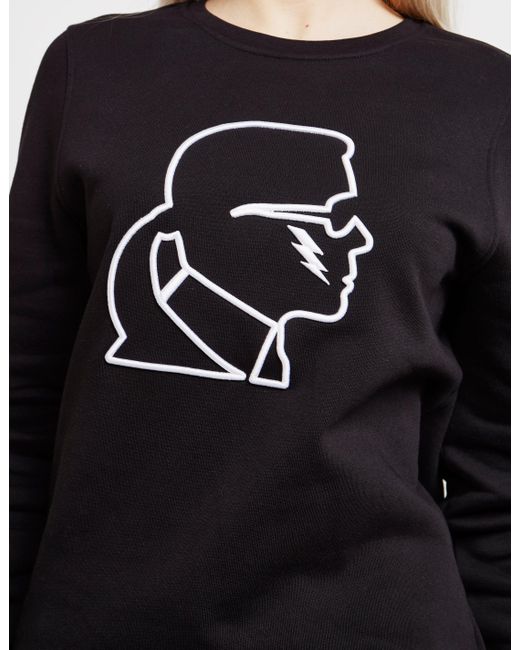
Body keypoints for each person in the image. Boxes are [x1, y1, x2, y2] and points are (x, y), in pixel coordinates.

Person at [10, 0, 510, 648]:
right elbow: (22, 409)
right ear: (228, 223)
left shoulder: (487, 96)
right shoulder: (94, 68)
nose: (358, 238)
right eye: (333, 216)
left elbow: (496, 460)